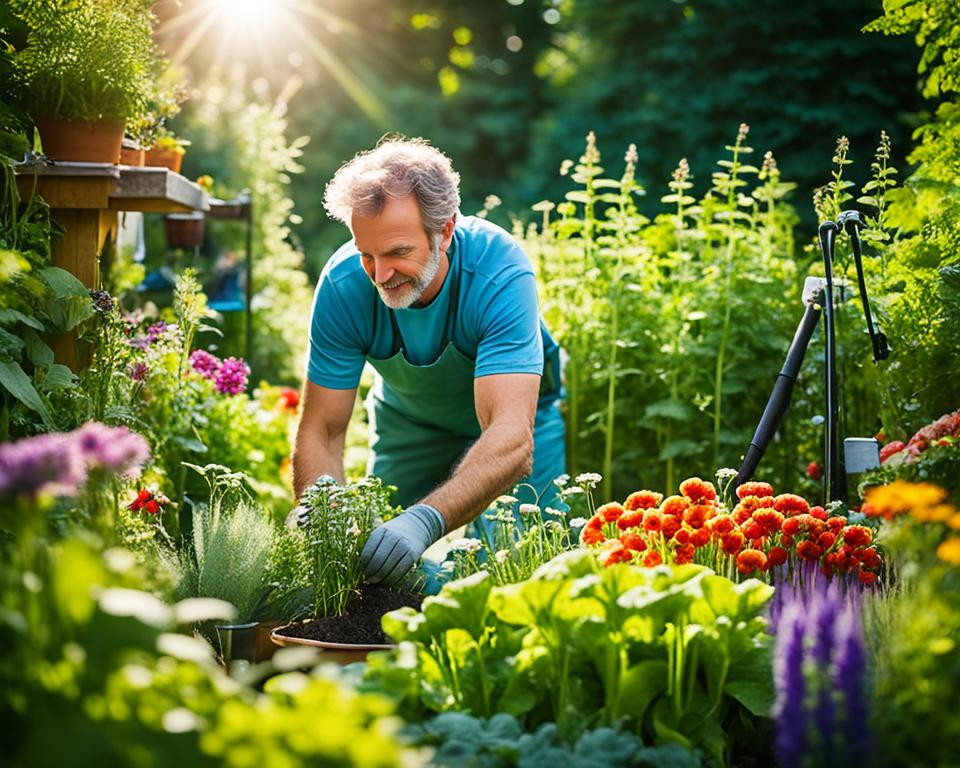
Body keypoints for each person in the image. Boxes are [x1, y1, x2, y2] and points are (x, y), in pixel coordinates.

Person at [292, 137, 565, 587]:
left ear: (445, 231)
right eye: (367, 254)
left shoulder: (498, 271)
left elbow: (511, 435)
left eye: (398, 253)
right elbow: (322, 429)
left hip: (513, 425)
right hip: (409, 423)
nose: (380, 275)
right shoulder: (343, 287)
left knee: (526, 573)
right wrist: (321, 512)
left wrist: (425, 521)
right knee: (372, 571)